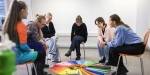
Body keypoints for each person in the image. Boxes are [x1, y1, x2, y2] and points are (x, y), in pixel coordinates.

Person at [3, 0, 37, 64]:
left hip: (6, 56)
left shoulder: (7, 24)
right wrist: (30, 50)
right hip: (16, 58)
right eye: (27, 10)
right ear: (22, 11)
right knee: (37, 53)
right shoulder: (21, 25)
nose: (28, 13)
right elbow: (23, 46)